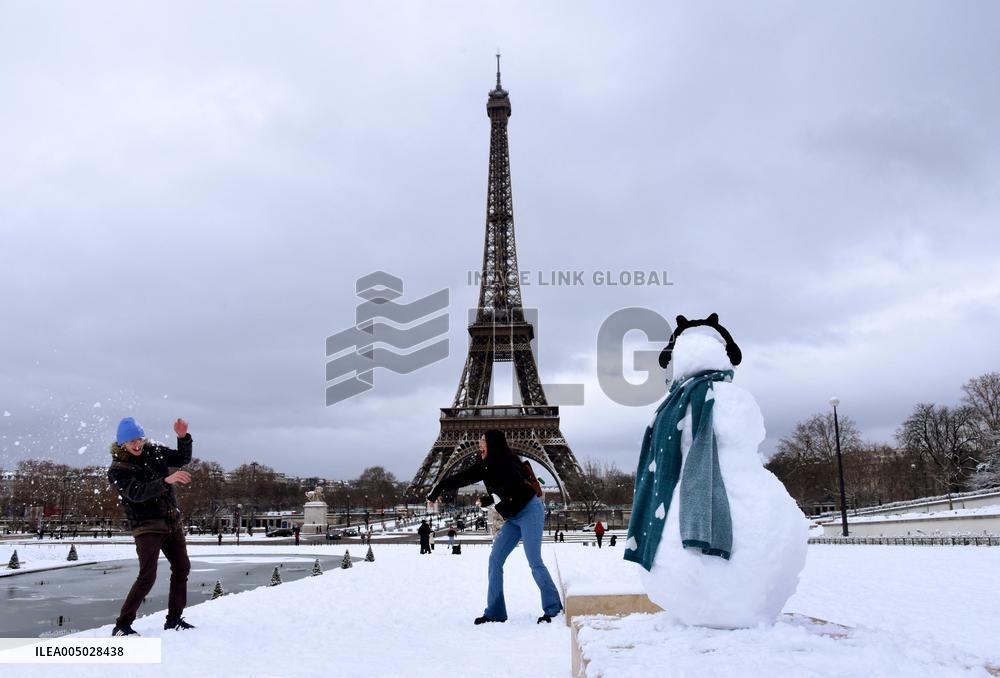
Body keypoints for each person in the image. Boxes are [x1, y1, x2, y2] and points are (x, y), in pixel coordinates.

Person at [428, 430, 563, 625]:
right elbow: (461, 477)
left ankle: (553, 608)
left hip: (530, 511)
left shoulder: (509, 461)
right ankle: (495, 612)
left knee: (534, 561)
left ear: (493, 443)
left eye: (482, 441)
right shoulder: (485, 466)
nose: (479, 444)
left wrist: (490, 498)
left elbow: (514, 485)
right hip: (513, 517)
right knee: (495, 560)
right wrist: (437, 489)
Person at [107, 416, 195, 636]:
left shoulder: (154, 450)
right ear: (122, 444)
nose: (136, 445)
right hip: (146, 525)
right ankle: (122, 624)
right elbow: (136, 494)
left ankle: (174, 619)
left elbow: (182, 458)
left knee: (182, 567)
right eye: (131, 442)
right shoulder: (118, 469)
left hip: (170, 521)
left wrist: (183, 438)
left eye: (139, 439)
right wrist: (166, 481)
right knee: (148, 576)